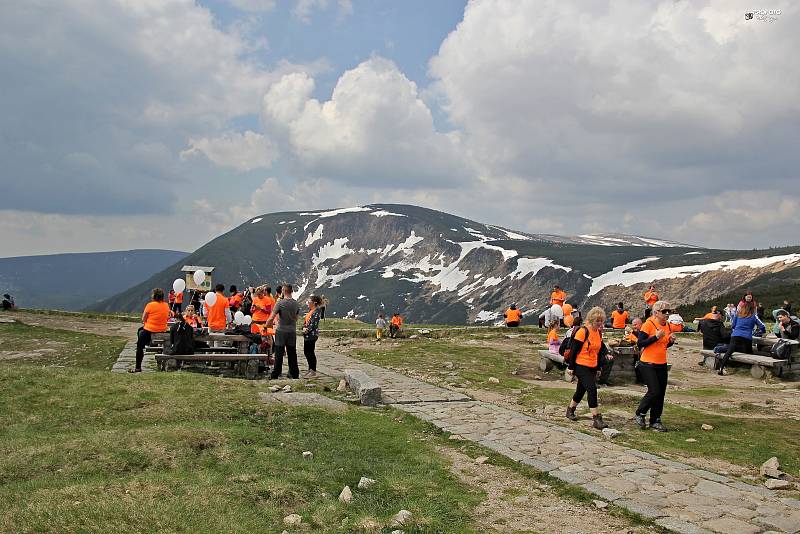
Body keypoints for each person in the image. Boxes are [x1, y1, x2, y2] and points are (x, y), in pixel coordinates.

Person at [565, 307, 609, 430]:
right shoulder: (583, 331)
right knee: (592, 389)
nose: (600, 323)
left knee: (581, 390)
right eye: (597, 321)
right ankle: (596, 418)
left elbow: (599, 351)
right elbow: (573, 351)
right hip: (581, 365)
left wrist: (599, 367)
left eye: (601, 320)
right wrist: (571, 367)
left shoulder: (598, 333)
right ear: (591, 320)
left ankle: (570, 410)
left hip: (592, 365)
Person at [634, 300, 675, 432]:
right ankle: (640, 413)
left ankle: (655, 420)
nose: (667, 314)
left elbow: (664, 345)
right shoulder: (649, 324)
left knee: (661, 393)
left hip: (661, 363)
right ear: (656, 313)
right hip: (647, 363)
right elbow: (640, 343)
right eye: (664, 312)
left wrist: (671, 342)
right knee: (654, 391)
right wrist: (655, 337)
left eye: (669, 311)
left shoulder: (668, 326)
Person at [718, 298, 766, 375]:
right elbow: (762, 326)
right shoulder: (754, 316)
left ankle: (721, 368)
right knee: (749, 352)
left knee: (729, 352)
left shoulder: (738, 315)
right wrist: (763, 332)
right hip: (747, 337)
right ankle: (749, 368)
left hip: (735, 335)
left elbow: (733, 325)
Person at [131, 288, 170, 373]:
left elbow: (143, 319)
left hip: (150, 329)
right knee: (141, 331)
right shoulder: (166, 305)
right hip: (162, 329)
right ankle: (150, 342)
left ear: (154, 296)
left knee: (139, 346)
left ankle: (138, 367)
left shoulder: (150, 305)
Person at [267, 284, 300, 379]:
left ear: (283, 291)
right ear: (291, 291)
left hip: (281, 331)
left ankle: (275, 374)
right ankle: (294, 373)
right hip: (292, 331)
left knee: (279, 353)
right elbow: (296, 318)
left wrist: (266, 325)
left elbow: (271, 317)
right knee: (292, 353)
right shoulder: (296, 303)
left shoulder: (280, 303)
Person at [302, 295, 323, 378]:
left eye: (309, 302)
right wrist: (303, 327)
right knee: (307, 352)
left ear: (313, 303)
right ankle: (310, 369)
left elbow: (314, 324)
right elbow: (307, 321)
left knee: (310, 352)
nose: (308, 303)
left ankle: (313, 370)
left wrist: (307, 329)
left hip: (311, 335)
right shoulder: (311, 310)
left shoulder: (316, 311)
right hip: (307, 335)